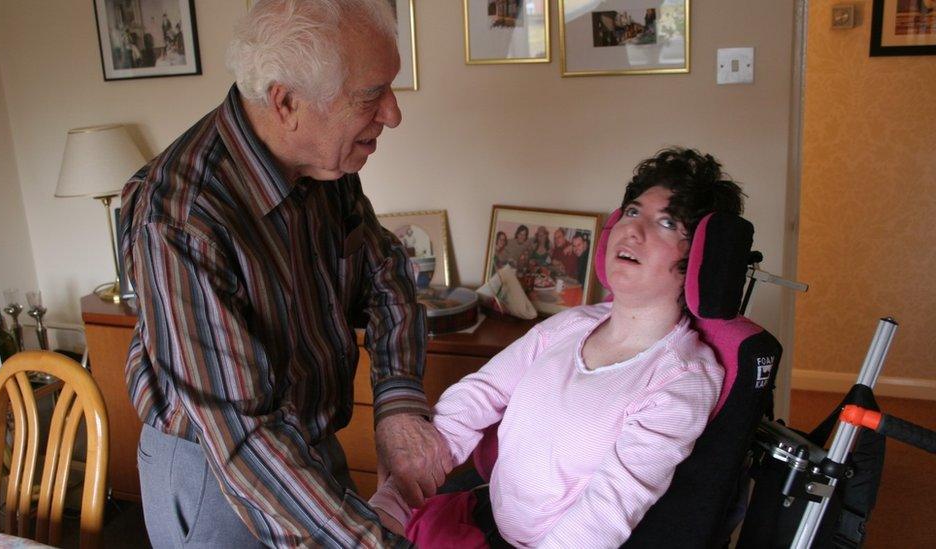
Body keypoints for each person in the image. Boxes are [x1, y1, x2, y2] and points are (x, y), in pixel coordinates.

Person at [118, 1, 451, 546]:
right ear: (288, 102)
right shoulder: (179, 218)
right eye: (372, 95)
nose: (393, 114)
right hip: (219, 471)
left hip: (307, 444)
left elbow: (384, 272)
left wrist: (397, 405)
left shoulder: (324, 161)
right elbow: (244, 438)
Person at [370, 147, 746, 547]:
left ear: (702, 257)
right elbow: (480, 394)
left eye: (667, 223)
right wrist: (396, 496)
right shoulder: (572, 324)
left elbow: (607, 511)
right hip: (485, 521)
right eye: (633, 212)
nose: (633, 231)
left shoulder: (682, 379)